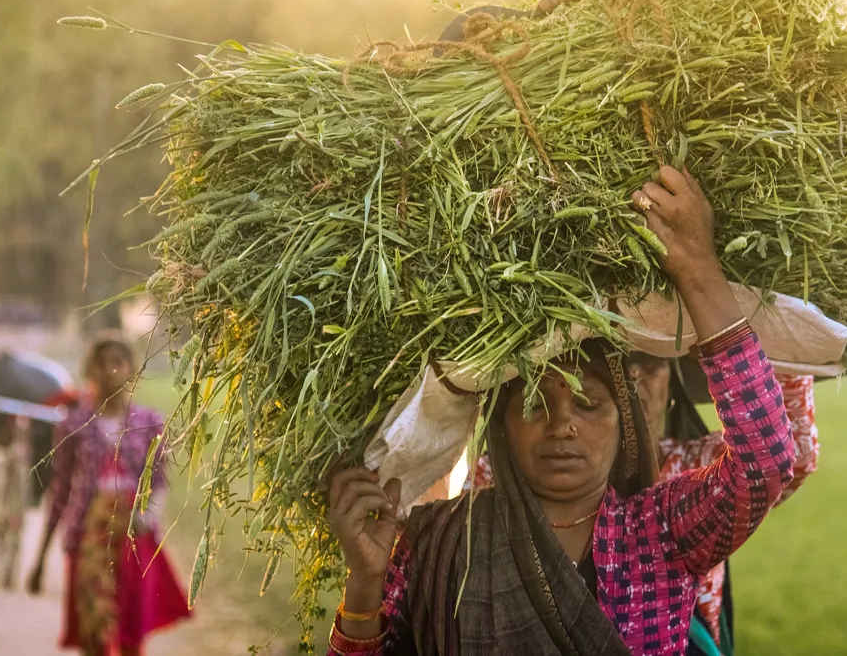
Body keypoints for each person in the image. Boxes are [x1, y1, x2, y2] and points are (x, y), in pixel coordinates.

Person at [325, 166, 798, 656]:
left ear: (626, 424)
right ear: (500, 429)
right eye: (533, 403)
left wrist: (698, 268)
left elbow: (765, 463)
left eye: (589, 403)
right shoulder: (436, 542)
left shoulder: (660, 532)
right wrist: (364, 582)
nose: (563, 424)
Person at [462, 363, 819, 656]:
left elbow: (782, 456)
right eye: (616, 359)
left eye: (649, 361)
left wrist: (767, 325)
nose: (633, 376)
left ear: (672, 382)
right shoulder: (501, 473)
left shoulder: (695, 465)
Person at [28, 334, 191, 656]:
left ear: (132, 369)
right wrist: (40, 558)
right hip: (87, 540)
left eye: (117, 363)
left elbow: (157, 481)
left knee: (131, 634)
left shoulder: (149, 424)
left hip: (132, 538)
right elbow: (61, 490)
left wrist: (146, 515)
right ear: (91, 370)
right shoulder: (74, 425)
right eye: (101, 364)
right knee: (93, 632)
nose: (109, 371)